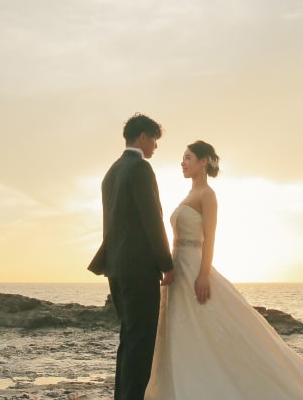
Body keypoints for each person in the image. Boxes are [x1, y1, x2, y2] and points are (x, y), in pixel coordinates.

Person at [145, 141, 303, 400]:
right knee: (181, 329)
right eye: (182, 159)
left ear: (203, 161)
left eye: (188, 158)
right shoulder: (187, 196)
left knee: (210, 326)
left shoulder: (207, 194)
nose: (183, 163)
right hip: (177, 267)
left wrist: (204, 274)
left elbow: (211, 237)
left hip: (194, 266)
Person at [89, 113, 176, 400]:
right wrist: (167, 264)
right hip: (139, 268)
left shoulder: (111, 172)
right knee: (142, 343)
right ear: (142, 137)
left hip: (115, 267)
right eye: (154, 140)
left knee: (128, 340)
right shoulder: (140, 168)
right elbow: (152, 219)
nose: (155, 147)